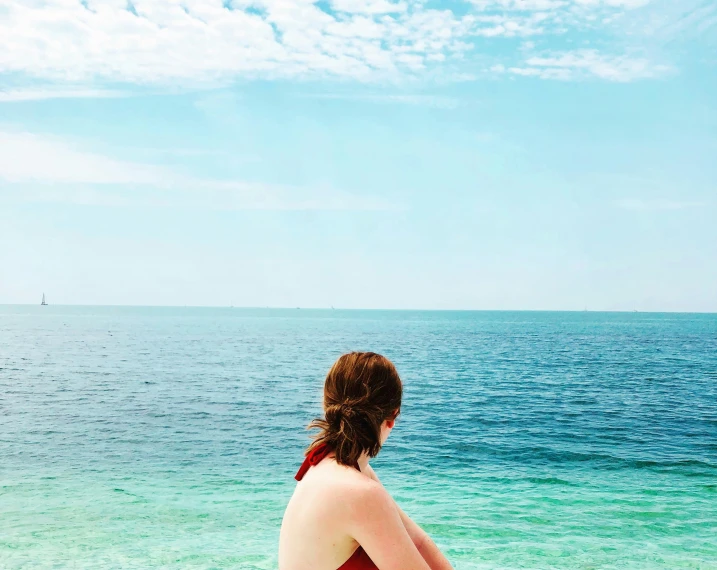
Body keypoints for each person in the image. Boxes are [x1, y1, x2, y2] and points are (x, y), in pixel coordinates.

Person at [279, 352, 454, 570]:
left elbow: (417, 543)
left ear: (327, 405)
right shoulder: (361, 493)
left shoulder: (329, 468)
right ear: (392, 416)